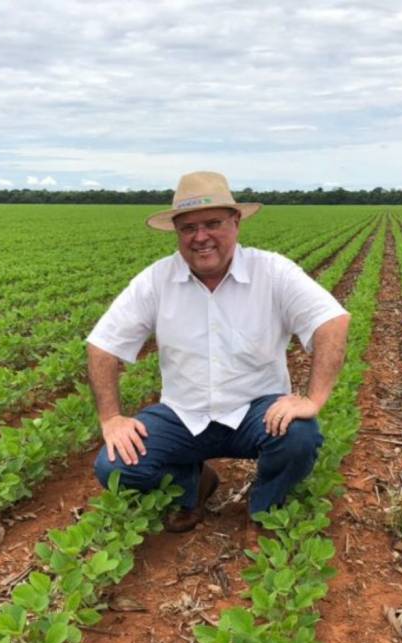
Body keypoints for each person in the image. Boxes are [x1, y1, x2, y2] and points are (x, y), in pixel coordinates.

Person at [87, 171, 350, 532]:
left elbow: (332, 321)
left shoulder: (271, 271)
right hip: (184, 414)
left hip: (256, 412)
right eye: (188, 228)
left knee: (299, 435)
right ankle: (192, 488)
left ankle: (265, 505)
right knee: (114, 466)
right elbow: (103, 345)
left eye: (213, 223)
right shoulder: (156, 279)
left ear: (236, 222)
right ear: (177, 232)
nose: (201, 237)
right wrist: (111, 418)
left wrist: (313, 398)